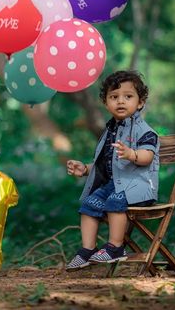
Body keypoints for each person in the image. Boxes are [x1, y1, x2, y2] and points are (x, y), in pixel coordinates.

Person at [65, 70, 160, 270]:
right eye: (114, 97)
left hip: (138, 186)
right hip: (115, 185)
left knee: (114, 200)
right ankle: (88, 249)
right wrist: (84, 169)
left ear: (140, 102)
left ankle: (116, 248)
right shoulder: (110, 131)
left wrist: (132, 154)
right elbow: (104, 164)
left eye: (128, 96)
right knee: (89, 203)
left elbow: (148, 156)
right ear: (106, 103)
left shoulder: (144, 130)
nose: (120, 101)